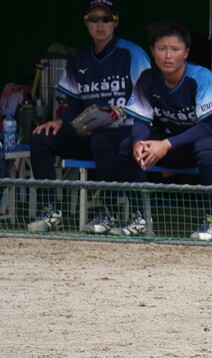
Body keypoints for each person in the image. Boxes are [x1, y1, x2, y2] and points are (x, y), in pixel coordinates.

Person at [113, 20, 212, 240]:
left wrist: (166, 144)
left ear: (186, 53)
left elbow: (208, 127)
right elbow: (141, 122)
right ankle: (141, 218)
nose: (168, 56)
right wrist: (138, 141)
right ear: (152, 51)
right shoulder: (148, 79)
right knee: (127, 146)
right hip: (183, 145)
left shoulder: (201, 77)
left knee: (206, 145)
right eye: (161, 49)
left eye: (175, 49)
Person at [27, 0, 150, 233]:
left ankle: (108, 213)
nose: (100, 24)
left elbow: (146, 98)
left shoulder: (131, 54)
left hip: (125, 130)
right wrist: (60, 121)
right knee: (41, 137)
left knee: (101, 138)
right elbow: (74, 104)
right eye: (94, 19)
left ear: (115, 22)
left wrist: (118, 113)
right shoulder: (79, 60)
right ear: (87, 24)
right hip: (88, 131)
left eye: (106, 19)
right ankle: (51, 211)